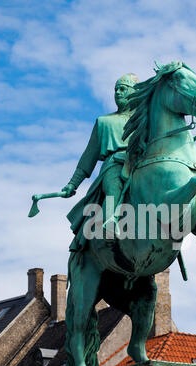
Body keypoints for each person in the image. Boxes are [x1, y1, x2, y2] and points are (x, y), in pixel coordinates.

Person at [61, 73, 139, 251]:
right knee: (113, 185)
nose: (118, 92)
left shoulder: (145, 120)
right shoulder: (104, 122)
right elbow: (88, 156)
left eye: (123, 89)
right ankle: (111, 221)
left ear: (135, 93)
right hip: (114, 165)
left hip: (140, 164)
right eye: (116, 89)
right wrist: (72, 184)